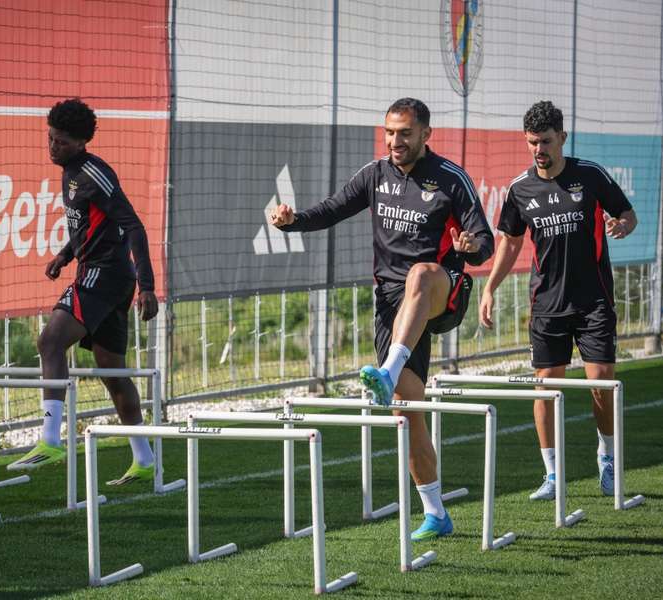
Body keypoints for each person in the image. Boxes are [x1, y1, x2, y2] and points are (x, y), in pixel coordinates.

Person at [272, 98, 494, 541]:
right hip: (392, 302)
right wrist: (293, 221)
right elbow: (333, 208)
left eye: (405, 133)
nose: (395, 141)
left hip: (441, 288)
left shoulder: (451, 179)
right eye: (390, 132)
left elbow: (484, 241)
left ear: (426, 135)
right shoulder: (375, 175)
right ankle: (436, 513)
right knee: (407, 411)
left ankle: (387, 372)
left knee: (419, 273)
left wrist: (471, 246)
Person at [478, 100, 637, 501]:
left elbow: (627, 215)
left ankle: (607, 459)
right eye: (532, 142)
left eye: (545, 141)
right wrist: (489, 288)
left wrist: (621, 224)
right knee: (545, 389)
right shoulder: (519, 189)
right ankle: (552, 474)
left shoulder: (591, 175)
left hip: (593, 301)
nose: (538, 149)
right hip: (547, 305)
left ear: (562, 138)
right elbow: (510, 244)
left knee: (601, 382)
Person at [8, 98, 159, 486]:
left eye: (60, 142)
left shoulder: (95, 173)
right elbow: (89, 225)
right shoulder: (69, 169)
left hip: (105, 275)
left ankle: (50, 439)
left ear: (80, 143)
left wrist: (148, 285)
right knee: (112, 372)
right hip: (100, 273)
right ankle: (145, 459)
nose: (52, 147)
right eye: (50, 139)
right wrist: (63, 254)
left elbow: (135, 227)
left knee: (49, 341)